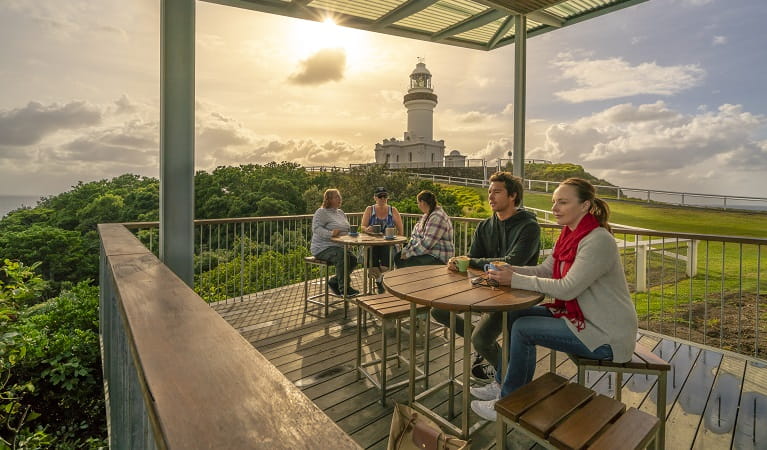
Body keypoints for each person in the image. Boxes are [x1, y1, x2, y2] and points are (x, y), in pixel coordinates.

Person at [470, 178, 638, 421]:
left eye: (562, 202)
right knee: (515, 315)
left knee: (524, 329)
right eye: (554, 202)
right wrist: (508, 270)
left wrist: (513, 280)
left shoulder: (598, 240)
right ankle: (504, 384)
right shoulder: (570, 236)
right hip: (580, 319)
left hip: (606, 334)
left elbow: (568, 289)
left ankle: (510, 399)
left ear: (585, 206)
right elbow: (544, 271)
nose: (555, 208)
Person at [434, 172, 540, 380]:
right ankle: (494, 355)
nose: (490, 196)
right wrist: (460, 263)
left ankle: (507, 374)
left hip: (516, 295)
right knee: (438, 311)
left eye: (497, 192)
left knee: (481, 339)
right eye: (489, 192)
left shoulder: (529, 226)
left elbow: (512, 262)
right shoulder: (485, 226)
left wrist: (473, 262)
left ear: (513, 196)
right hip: (484, 289)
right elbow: (473, 258)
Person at [310, 188, 359, 297]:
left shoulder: (341, 213)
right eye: (336, 196)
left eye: (339, 196)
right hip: (322, 248)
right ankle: (344, 289)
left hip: (339, 247)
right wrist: (331, 233)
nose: (339, 198)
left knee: (353, 259)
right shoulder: (321, 212)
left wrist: (350, 238)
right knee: (342, 256)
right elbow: (316, 229)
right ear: (329, 199)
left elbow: (345, 229)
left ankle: (334, 281)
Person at [360, 186, 404, 293]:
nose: (383, 199)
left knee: (387, 253)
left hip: (388, 243)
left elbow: (400, 230)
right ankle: (380, 280)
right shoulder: (369, 210)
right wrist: (367, 229)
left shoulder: (393, 210)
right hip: (372, 243)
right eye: (380, 196)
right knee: (370, 254)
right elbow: (362, 227)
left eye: (385, 196)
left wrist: (397, 241)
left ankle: (380, 279)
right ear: (375, 198)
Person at [393, 190, 454, 267]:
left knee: (407, 263)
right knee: (397, 257)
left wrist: (408, 254)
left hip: (438, 257)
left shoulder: (437, 217)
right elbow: (416, 236)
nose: (418, 206)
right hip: (429, 253)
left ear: (422, 202)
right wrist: (406, 250)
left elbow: (427, 244)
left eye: (418, 203)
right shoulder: (427, 216)